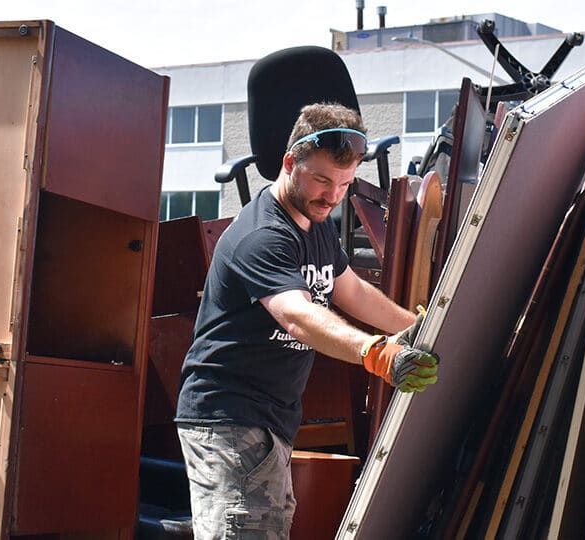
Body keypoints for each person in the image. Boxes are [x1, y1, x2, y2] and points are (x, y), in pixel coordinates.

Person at [175, 103, 440, 539]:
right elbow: (298, 315)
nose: (332, 196)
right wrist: (377, 353)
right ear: (289, 163)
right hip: (229, 417)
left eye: (344, 183)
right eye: (321, 180)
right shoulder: (262, 235)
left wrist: (413, 326)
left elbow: (349, 290)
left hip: (270, 419)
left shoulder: (315, 226)